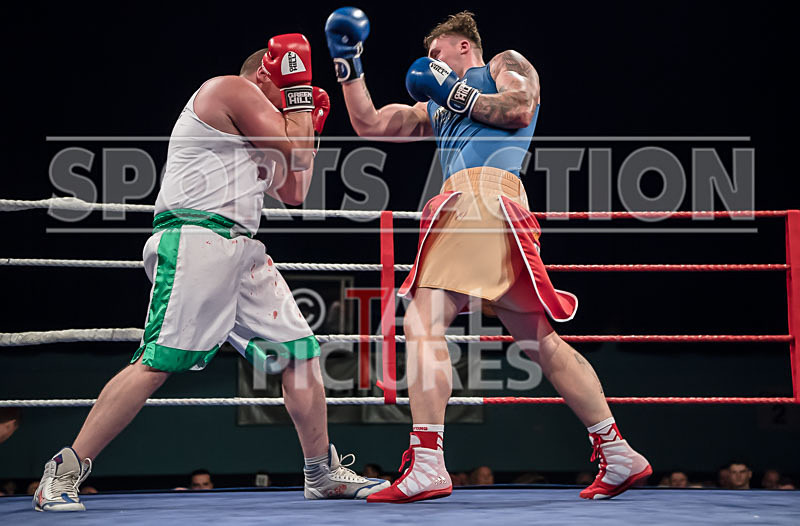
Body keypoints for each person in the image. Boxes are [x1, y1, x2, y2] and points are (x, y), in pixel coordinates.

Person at [32, 34, 389, 512]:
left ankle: (320, 473)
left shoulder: (263, 127)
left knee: (300, 354)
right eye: (287, 87)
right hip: (196, 238)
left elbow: (296, 189)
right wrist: (301, 94)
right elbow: (297, 154)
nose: (292, 103)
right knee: (158, 362)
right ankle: (63, 472)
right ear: (267, 72)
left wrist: (310, 122)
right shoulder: (228, 89)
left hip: (241, 249)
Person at [325, 9, 651, 503]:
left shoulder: (502, 64)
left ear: (462, 46)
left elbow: (520, 107)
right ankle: (618, 449)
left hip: (480, 204)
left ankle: (429, 462)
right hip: (493, 213)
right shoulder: (435, 110)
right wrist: (348, 61)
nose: (430, 65)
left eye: (437, 54)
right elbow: (369, 124)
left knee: (422, 323)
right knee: (542, 342)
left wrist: (452, 91)